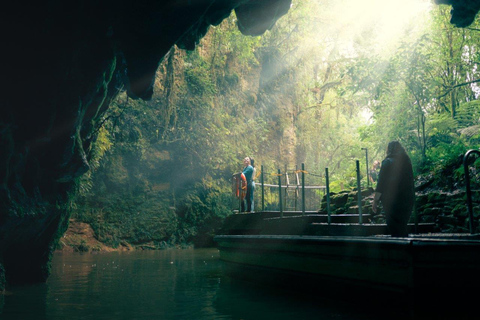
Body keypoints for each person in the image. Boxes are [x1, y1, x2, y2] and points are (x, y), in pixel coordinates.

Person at [372, 141, 414, 237]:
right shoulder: (407, 162)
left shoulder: (387, 162)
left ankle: (399, 249)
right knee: (402, 226)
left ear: (389, 150)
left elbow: (381, 184)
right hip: (407, 199)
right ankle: (406, 248)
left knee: (395, 228)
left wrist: (375, 200)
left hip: (391, 201)